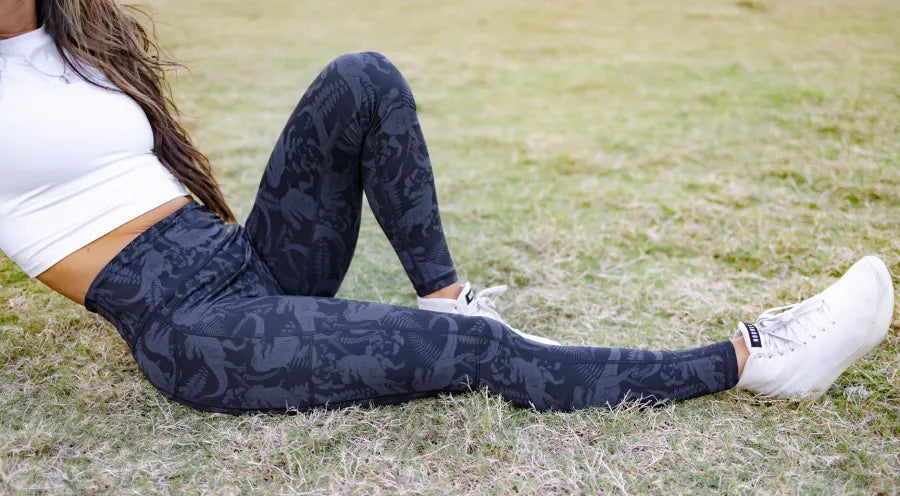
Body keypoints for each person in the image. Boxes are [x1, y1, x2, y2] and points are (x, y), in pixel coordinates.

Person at [0, 0, 893, 414]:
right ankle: (752, 361)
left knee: (362, 77)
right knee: (478, 356)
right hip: (193, 329)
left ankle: (444, 293)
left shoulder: (68, 31)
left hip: (246, 260)